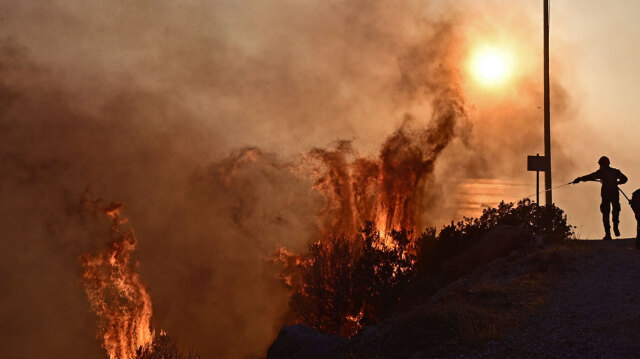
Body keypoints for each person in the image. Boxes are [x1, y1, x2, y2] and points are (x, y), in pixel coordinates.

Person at [573, 156, 628, 240]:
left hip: (606, 195)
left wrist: (579, 179)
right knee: (615, 211)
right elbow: (625, 179)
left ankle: (608, 234)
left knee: (605, 214)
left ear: (602, 164)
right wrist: (617, 183)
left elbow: (590, 177)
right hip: (615, 194)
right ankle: (615, 227)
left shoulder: (601, 172)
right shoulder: (615, 172)